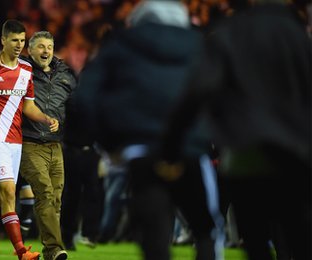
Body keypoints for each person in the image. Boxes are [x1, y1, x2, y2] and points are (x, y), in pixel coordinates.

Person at [69, 1, 225, 259]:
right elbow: (222, 95)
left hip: (141, 150)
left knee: (154, 234)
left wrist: (111, 144)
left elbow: (85, 98)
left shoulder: (121, 43)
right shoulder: (200, 45)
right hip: (191, 150)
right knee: (206, 230)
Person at [160, 0, 311, 259]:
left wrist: (172, 145)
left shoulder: (232, 33)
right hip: (295, 153)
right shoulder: (299, 37)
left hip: (246, 152)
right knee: (298, 237)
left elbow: (198, 90)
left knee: (256, 239)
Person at [0, 19, 59, 260]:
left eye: (22, 41)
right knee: (7, 192)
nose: (19, 45)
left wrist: (46, 118)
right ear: (3, 40)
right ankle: (21, 251)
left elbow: (28, 107)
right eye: (14, 40)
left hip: (15, 142)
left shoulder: (26, 70)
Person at [18, 31, 77, 260]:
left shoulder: (65, 74)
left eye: (49, 47)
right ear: (30, 50)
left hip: (55, 145)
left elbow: (75, 106)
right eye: (40, 46)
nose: (45, 51)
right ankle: (55, 248)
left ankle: (51, 251)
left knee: (55, 199)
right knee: (44, 192)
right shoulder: (21, 69)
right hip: (29, 141)